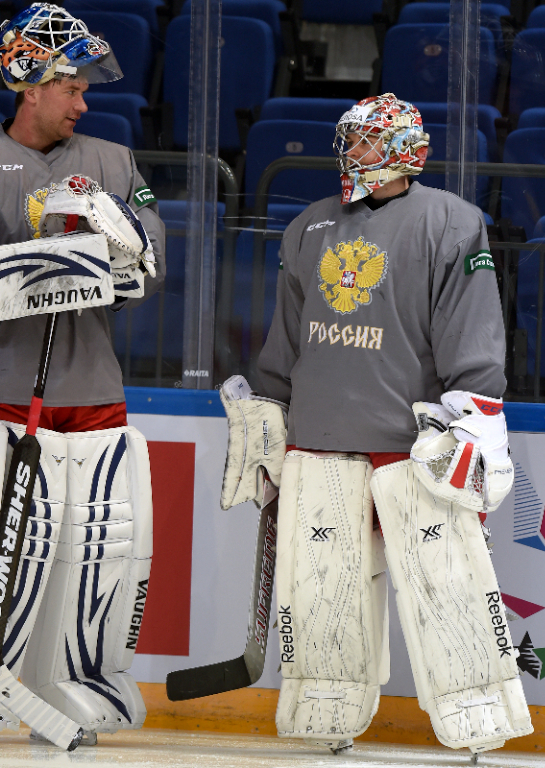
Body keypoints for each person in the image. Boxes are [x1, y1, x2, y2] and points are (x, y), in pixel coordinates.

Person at [219, 93, 532, 757]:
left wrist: (471, 421)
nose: (348, 153)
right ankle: (329, 713)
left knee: (447, 589)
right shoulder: (307, 226)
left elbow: (471, 336)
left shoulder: (452, 223)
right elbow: (287, 342)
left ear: (400, 150)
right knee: (324, 592)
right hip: (322, 443)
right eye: (348, 140)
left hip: (409, 451)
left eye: (361, 141)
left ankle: (475, 715)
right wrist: (269, 415)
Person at [0, 3, 163, 746]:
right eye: (71, 88)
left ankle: (65, 681)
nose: (84, 103)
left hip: (89, 388)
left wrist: (59, 269)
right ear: (31, 87)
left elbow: (146, 267)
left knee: (85, 548)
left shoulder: (114, 160)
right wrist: (76, 266)